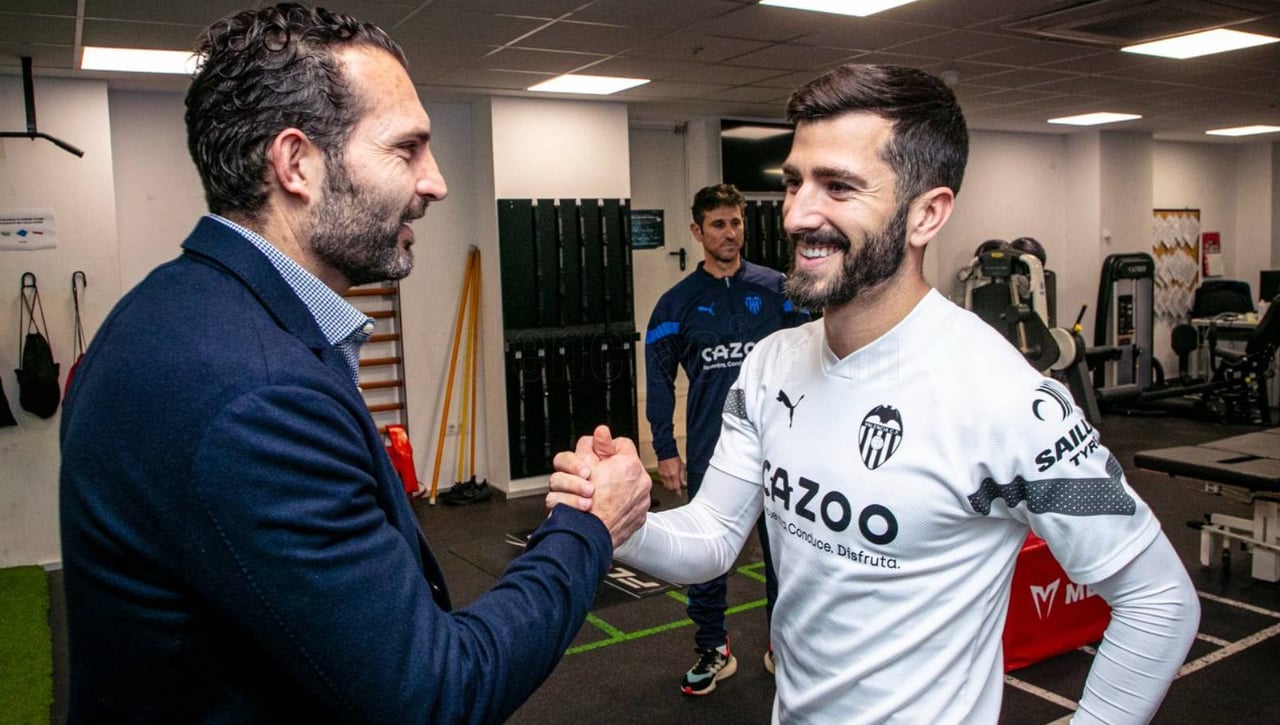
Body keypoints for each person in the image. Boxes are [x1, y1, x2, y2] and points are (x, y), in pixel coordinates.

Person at [548, 64, 1199, 724]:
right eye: (794, 182)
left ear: (927, 214)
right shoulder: (772, 366)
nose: (798, 213)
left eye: (838, 187)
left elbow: (1160, 599)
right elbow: (713, 536)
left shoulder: (1006, 399)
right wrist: (618, 522)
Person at [58, 4, 650, 722]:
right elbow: (433, 692)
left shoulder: (164, 308)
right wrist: (588, 525)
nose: (435, 182)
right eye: (406, 150)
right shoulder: (258, 394)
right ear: (297, 163)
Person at [644, 183, 807, 694]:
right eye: (718, 224)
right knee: (706, 555)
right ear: (697, 231)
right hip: (713, 450)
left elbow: (814, 356)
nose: (730, 233)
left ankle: (783, 646)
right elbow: (657, 380)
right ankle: (713, 647)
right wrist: (665, 450)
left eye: (735, 222)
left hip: (782, 445)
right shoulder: (676, 304)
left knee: (786, 554)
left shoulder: (779, 289)